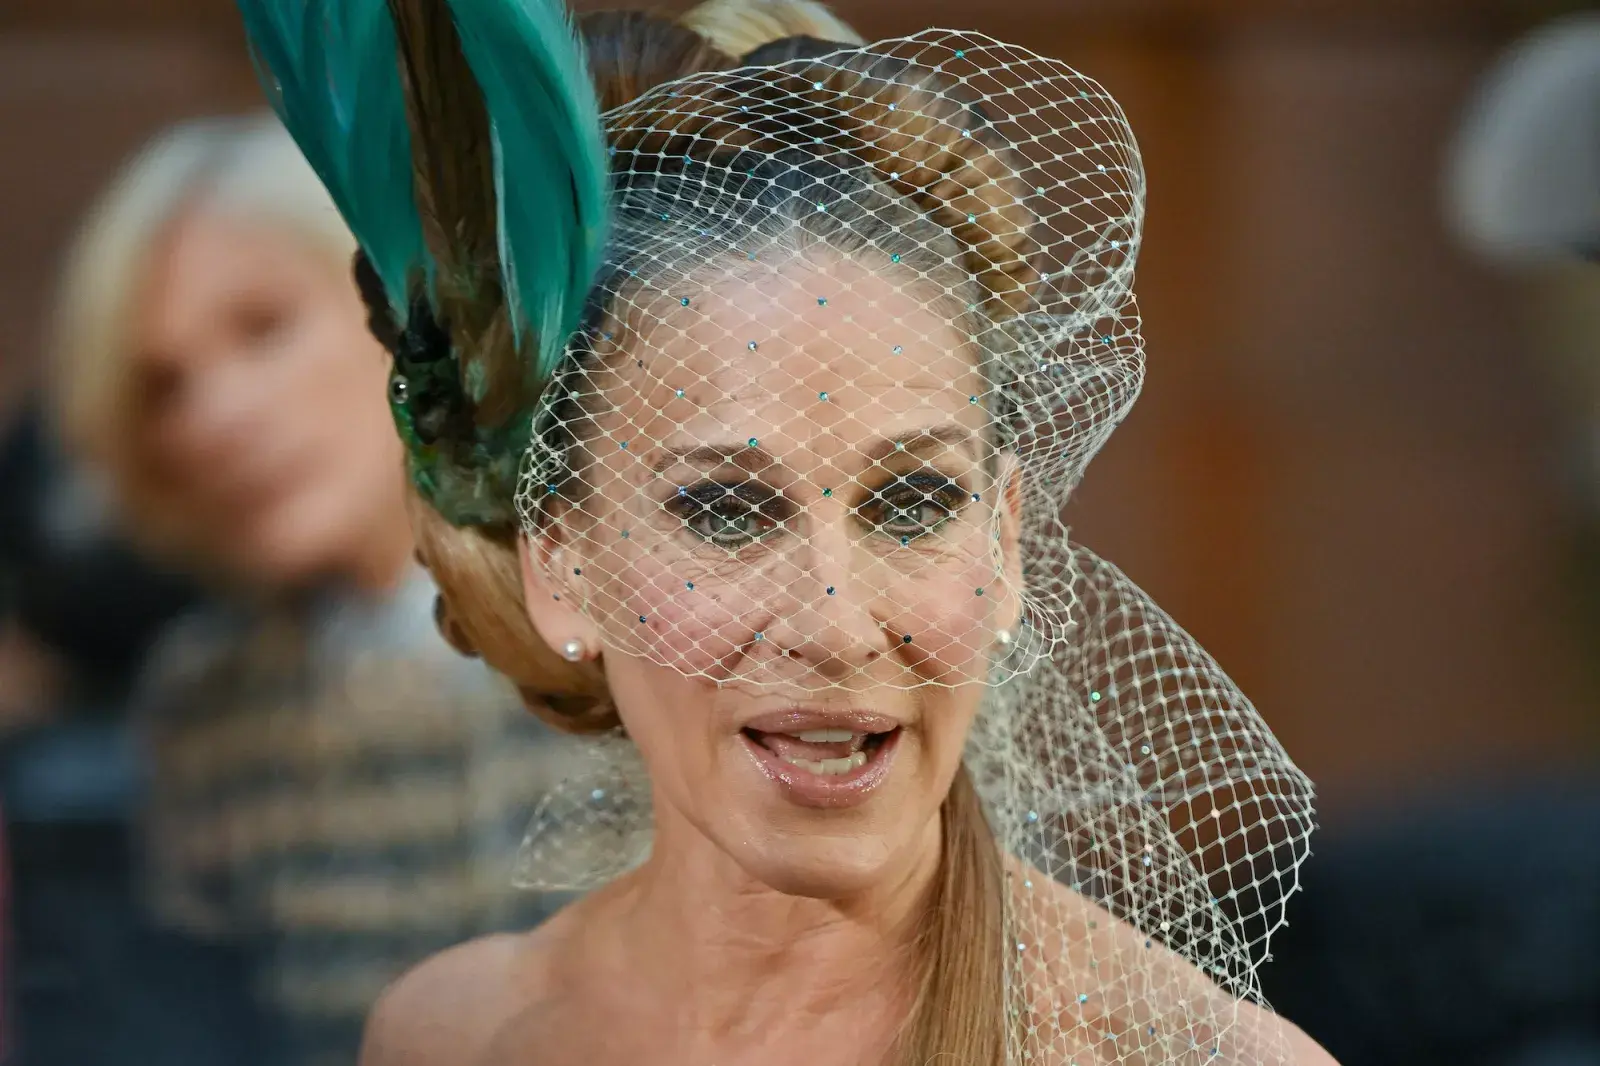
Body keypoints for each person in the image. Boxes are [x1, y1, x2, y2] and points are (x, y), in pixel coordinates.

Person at [238, 1, 1340, 1063]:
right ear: (562, 564)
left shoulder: (1186, 1059)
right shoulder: (451, 1037)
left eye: (913, 503)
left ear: (1003, 544)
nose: (837, 626)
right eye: (726, 511)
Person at [44, 113, 572, 1066]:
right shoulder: (204, 710)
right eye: (163, 387)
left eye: (263, 327)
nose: (216, 417)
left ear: (409, 309)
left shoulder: (640, 620)